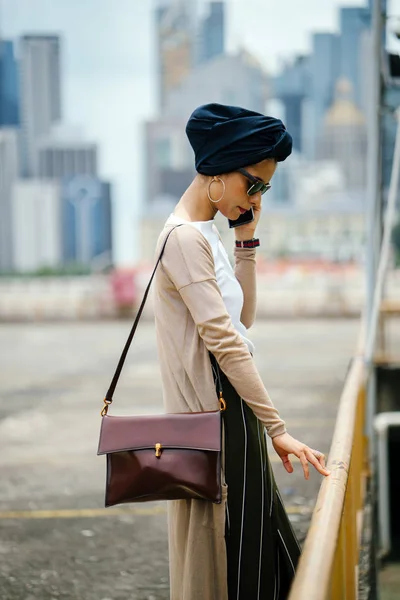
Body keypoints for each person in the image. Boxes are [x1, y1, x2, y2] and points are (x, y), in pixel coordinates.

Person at [153, 103, 330, 600]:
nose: (257, 196)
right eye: (253, 184)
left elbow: (242, 317)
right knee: (242, 552)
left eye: (265, 189)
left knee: (260, 541)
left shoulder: (204, 234)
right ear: (218, 169)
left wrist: (246, 240)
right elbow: (227, 343)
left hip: (235, 411)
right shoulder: (183, 239)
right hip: (219, 415)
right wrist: (279, 428)